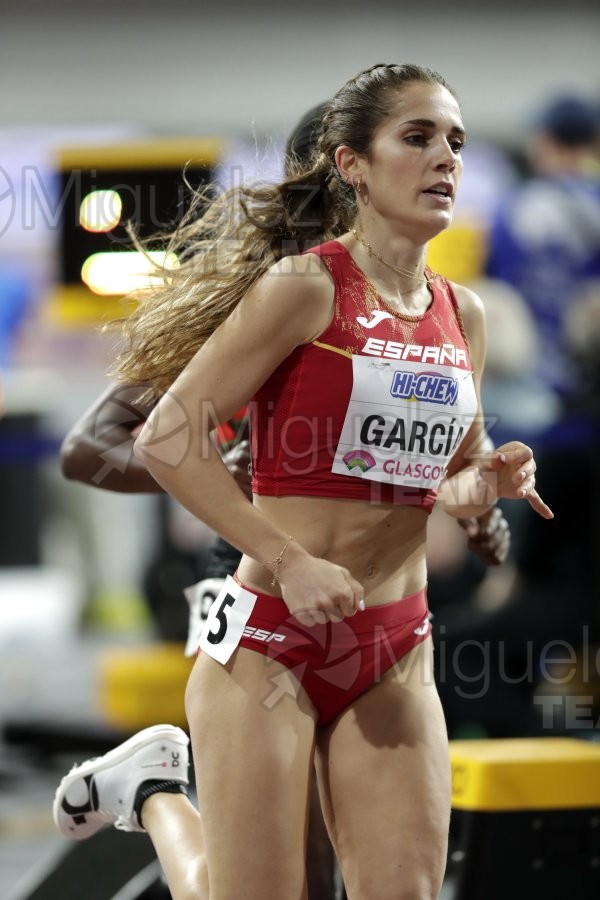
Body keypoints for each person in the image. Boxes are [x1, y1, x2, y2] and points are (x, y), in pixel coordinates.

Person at [54, 63, 552, 900]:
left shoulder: (463, 313)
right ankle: (153, 792)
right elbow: (149, 440)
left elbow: (452, 470)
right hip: (271, 627)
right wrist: (282, 550)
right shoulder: (296, 285)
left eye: (457, 143)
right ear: (349, 164)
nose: (447, 160)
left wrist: (485, 483)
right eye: (420, 139)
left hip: (395, 641)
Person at [485, 92, 600, 410]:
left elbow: (493, 280)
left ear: (545, 141)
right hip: (588, 380)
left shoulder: (513, 205)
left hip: (525, 381)